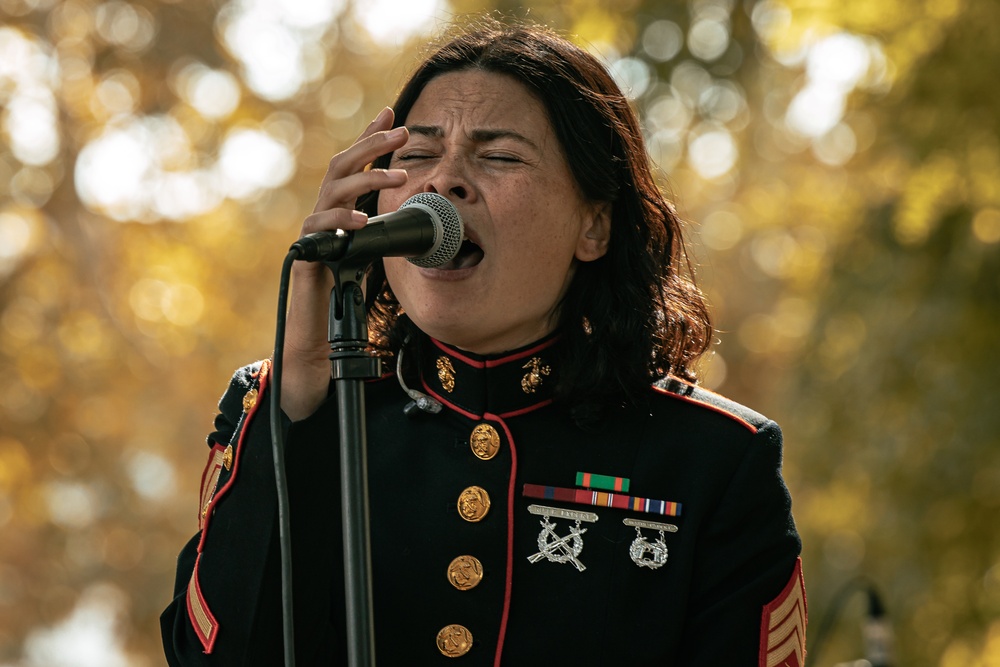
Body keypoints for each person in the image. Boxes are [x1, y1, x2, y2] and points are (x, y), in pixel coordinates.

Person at [161, 19, 806, 666]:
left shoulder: (716, 461)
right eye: (415, 155)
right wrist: (297, 401)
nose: (443, 181)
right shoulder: (277, 408)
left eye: (498, 156)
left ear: (595, 226)